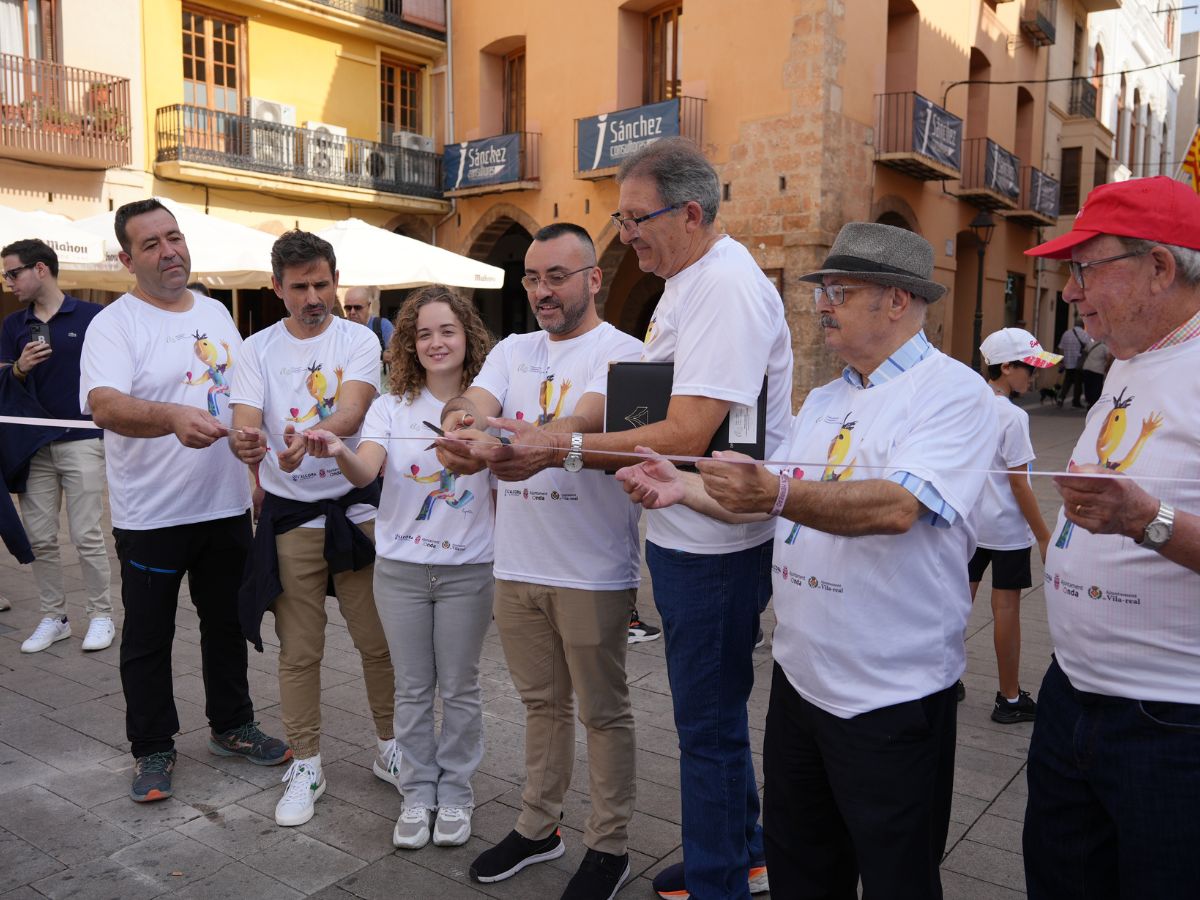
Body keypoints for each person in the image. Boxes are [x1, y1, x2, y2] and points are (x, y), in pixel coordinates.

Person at [442, 138, 792, 899]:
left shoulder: (725, 288)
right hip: (682, 529)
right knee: (711, 721)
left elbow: (688, 431)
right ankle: (740, 852)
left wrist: (558, 447)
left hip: (714, 538)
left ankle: (719, 881)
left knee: (705, 732)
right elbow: (641, 417)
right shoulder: (686, 286)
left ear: (690, 212)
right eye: (621, 220)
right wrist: (521, 437)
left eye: (636, 219)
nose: (627, 233)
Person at [617, 222, 997, 899]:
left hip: (889, 694)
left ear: (897, 302)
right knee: (801, 871)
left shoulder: (954, 393)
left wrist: (780, 490)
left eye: (840, 290)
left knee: (894, 878)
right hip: (801, 684)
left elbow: (898, 507)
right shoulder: (825, 399)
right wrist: (687, 488)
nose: (822, 303)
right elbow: (769, 502)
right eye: (823, 288)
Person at [436, 223, 643, 900]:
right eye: (532, 277)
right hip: (516, 562)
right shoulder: (514, 350)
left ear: (593, 279)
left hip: (590, 569)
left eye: (557, 276)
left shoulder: (625, 353)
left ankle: (608, 845)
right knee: (540, 705)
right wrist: (460, 420)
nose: (543, 291)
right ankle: (537, 826)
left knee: (603, 713)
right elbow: (477, 401)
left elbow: (584, 418)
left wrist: (526, 443)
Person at [1022, 175, 1200, 899]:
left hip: (1173, 727)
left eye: (1086, 269)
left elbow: (1141, 510)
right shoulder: (1127, 360)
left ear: (1160, 267)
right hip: (1073, 698)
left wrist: (1143, 521)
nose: (1070, 292)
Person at [80, 199, 290, 803]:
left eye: (174, 236)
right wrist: (171, 416)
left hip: (223, 504)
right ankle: (152, 748)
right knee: (148, 637)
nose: (169, 250)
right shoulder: (114, 325)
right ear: (127, 259)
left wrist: (255, 468)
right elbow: (105, 406)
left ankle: (232, 725)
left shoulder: (218, 313)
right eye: (151, 244)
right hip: (152, 515)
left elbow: (239, 397)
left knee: (228, 624)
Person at [304, 285, 496, 850]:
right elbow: (366, 473)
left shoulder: (490, 406)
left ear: (468, 337)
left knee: (460, 688)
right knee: (412, 689)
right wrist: (337, 449)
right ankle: (417, 794)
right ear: (409, 344)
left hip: (468, 570)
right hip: (401, 569)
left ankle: (456, 794)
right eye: (424, 333)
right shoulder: (391, 406)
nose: (436, 342)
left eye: (447, 330)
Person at [228, 231, 395, 828]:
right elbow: (246, 421)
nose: (313, 296)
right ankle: (308, 762)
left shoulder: (359, 339)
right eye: (299, 287)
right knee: (300, 651)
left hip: (356, 510)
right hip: (291, 515)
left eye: (322, 283)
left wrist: (316, 435)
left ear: (335, 278)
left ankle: (390, 746)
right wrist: (248, 444)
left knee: (378, 640)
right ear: (277, 289)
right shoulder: (255, 349)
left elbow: (354, 408)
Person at [1, 238, 114, 652]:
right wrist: (18, 367)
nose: (8, 281)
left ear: (41, 269)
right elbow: (2, 378)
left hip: (82, 437)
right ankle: (55, 616)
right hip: (32, 444)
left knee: (86, 534)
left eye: (13, 273)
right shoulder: (13, 325)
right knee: (41, 537)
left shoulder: (91, 316)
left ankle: (101, 614)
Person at [972, 328, 1059, 724]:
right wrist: (1044, 535)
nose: (1033, 377)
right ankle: (1008, 698)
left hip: (968, 525)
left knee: (956, 604)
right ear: (1006, 367)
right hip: (1006, 530)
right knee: (1005, 608)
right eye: (1029, 368)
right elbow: (1019, 483)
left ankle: (942, 681)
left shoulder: (968, 405)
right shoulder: (1013, 416)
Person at [343, 285, 393, 377]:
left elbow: (397, 356)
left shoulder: (382, 326)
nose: (352, 312)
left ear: (368, 306)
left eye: (357, 307)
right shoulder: (340, 329)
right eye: (348, 308)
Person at [1055, 318, 1089, 408]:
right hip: (1079, 363)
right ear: (1082, 325)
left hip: (1068, 362)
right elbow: (1088, 348)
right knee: (1078, 383)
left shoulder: (1066, 333)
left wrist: (1062, 361)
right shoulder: (1085, 334)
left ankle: (1061, 398)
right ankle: (1076, 401)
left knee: (1067, 381)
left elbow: (1061, 348)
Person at [1079, 337, 1110, 407]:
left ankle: (1089, 401)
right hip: (1098, 369)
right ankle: (1094, 402)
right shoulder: (1104, 347)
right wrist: (1106, 366)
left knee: (1088, 386)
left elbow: (1084, 353)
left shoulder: (1089, 344)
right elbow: (1108, 358)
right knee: (1097, 387)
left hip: (1087, 368)